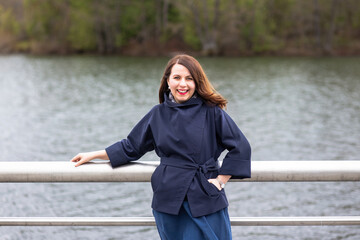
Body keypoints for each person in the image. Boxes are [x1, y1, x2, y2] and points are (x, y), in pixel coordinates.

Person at [71, 54, 251, 240]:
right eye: (177, 78)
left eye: (189, 78)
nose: (183, 84)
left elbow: (241, 147)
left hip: (205, 195)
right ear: (167, 81)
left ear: (197, 82)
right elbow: (131, 146)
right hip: (169, 199)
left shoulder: (212, 112)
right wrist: (93, 154)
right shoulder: (158, 114)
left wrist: (220, 181)